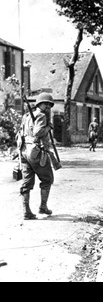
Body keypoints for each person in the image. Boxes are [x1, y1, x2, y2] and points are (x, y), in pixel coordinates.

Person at [18, 92, 55, 220]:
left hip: (24, 151)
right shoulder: (41, 116)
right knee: (47, 178)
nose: (48, 107)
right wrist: (49, 127)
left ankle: (26, 211)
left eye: (50, 105)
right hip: (36, 151)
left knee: (27, 182)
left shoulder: (27, 116)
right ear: (40, 104)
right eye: (46, 104)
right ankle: (43, 207)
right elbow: (38, 132)